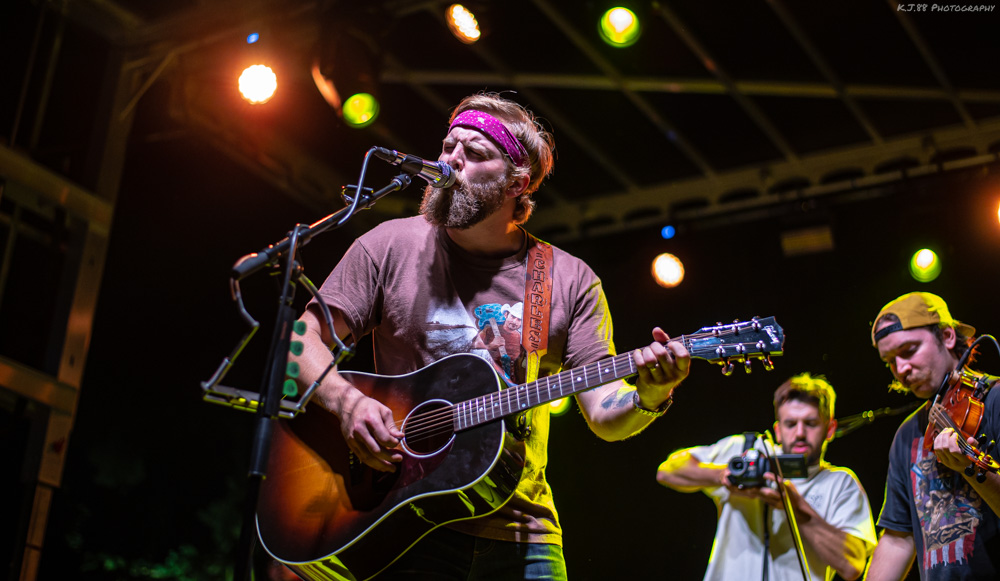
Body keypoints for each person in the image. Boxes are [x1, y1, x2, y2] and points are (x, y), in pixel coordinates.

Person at [290, 92, 691, 579]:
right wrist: (346, 403)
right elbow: (301, 343)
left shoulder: (567, 279)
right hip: (398, 516)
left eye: (474, 153)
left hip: (523, 531)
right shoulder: (389, 244)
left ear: (516, 183)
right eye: (447, 146)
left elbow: (605, 415)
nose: (449, 161)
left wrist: (650, 394)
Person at [656, 373, 876, 581]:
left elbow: (852, 566)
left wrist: (796, 507)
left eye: (810, 423)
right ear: (778, 430)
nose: (799, 433)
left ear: (830, 429)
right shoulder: (747, 451)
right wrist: (722, 475)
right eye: (791, 424)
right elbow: (667, 470)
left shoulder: (840, 483)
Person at [865, 292, 1000, 580]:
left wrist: (971, 468)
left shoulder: (995, 401)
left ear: (948, 336)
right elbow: (897, 539)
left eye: (909, 350)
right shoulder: (907, 434)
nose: (900, 369)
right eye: (890, 361)